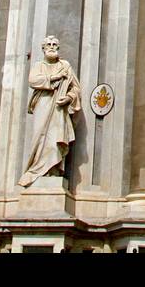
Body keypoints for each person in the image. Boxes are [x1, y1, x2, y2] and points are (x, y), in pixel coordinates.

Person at [20, 36, 82, 186]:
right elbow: (33, 81)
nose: (52, 47)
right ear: (43, 48)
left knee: (55, 139)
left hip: (58, 108)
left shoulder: (65, 65)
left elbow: (76, 88)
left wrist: (68, 98)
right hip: (42, 104)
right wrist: (55, 77)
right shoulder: (38, 65)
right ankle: (36, 169)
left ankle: (53, 170)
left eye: (55, 44)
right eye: (49, 44)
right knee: (39, 137)